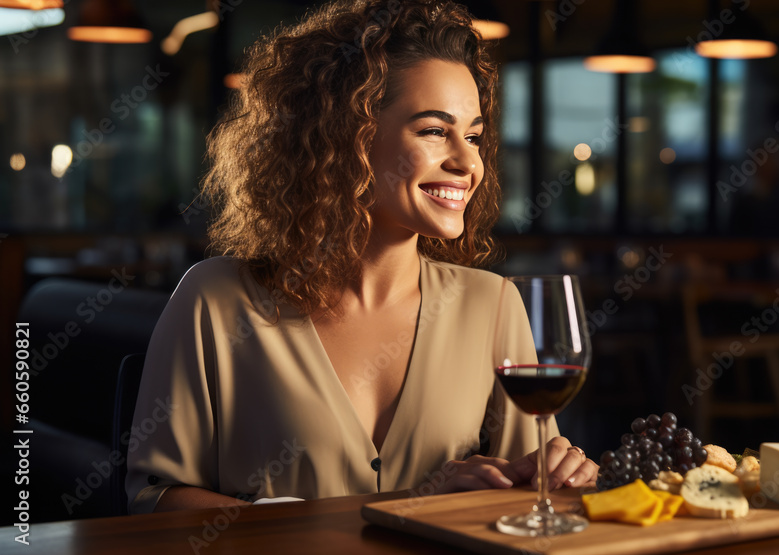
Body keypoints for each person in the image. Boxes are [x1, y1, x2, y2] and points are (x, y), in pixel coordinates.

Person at [126, 0, 597, 514]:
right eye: (435, 131)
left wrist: (553, 475)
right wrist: (398, 507)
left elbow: (523, 506)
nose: (468, 162)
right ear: (349, 135)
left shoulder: (494, 304)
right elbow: (154, 499)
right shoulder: (215, 301)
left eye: (475, 136)